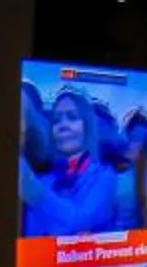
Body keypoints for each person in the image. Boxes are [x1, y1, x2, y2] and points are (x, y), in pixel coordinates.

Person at [21, 86, 123, 236]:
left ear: (87, 126)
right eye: (56, 120)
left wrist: (34, 190)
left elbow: (79, 222)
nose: (63, 125)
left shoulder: (105, 176)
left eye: (72, 117)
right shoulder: (43, 180)